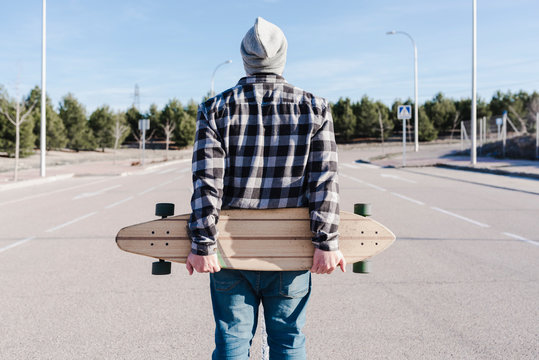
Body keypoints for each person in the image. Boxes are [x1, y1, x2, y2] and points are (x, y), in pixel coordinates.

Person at [186, 17, 345, 360]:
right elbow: (324, 183)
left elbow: (206, 185)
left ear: (245, 58)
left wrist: (202, 245)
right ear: (283, 57)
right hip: (291, 254)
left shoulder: (214, 111)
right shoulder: (315, 109)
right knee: (288, 342)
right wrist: (327, 242)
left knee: (231, 343)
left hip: (229, 257)